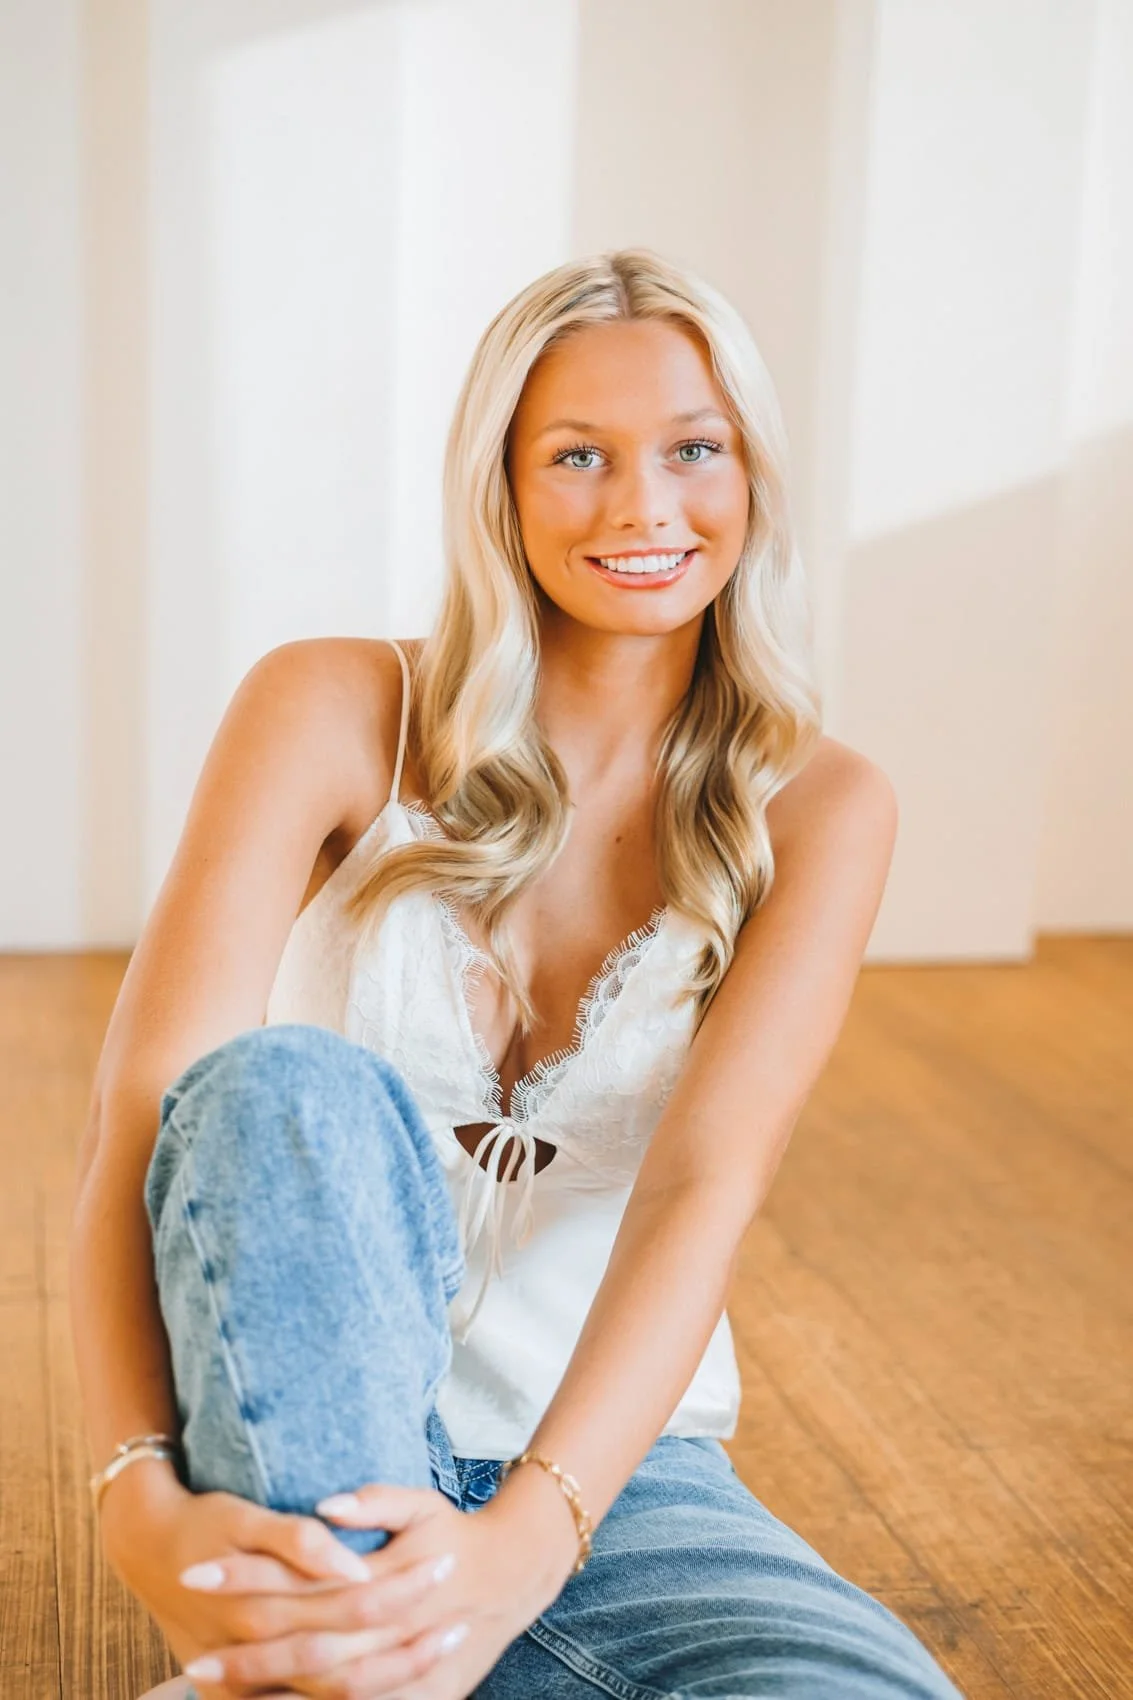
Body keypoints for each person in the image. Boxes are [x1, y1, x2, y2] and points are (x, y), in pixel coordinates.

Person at [71, 248, 963, 1700]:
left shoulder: (822, 808)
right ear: (501, 485)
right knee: (278, 1091)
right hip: (307, 1430)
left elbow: (703, 1187)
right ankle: (353, 1649)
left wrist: (525, 1546)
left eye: (694, 449)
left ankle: (348, 1672)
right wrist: (135, 1496)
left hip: (611, 1479)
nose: (644, 506)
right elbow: (145, 1119)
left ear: (752, 474)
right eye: (578, 456)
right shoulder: (329, 705)